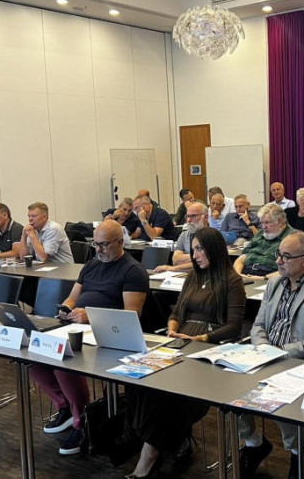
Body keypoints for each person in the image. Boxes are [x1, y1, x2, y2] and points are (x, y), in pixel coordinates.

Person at [126, 228, 246, 478]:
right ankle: (170, 440)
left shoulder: (231, 281)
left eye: (200, 249)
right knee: (139, 381)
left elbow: (234, 326)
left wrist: (199, 338)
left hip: (209, 348)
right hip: (179, 342)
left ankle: (148, 459)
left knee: (166, 393)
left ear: (214, 249)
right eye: (193, 250)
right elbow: (176, 312)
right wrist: (172, 327)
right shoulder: (193, 276)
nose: (195, 255)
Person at [238, 230, 304, 478]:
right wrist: (263, 348)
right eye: (279, 254)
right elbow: (258, 324)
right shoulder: (274, 282)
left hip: (297, 362)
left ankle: (299, 451)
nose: (278, 261)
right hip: (263, 355)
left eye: (286, 256)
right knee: (231, 392)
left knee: (276, 401)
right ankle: (253, 442)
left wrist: (278, 353)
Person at [41, 220, 149, 456]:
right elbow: (72, 297)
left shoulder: (133, 271)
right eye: (95, 244)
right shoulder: (91, 264)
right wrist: (66, 309)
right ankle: (67, 407)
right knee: (35, 358)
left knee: (63, 360)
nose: (98, 249)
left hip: (110, 335)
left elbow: (131, 315)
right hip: (78, 327)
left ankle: (82, 421)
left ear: (120, 242)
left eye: (104, 245)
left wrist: (90, 316)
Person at [233, 203, 293, 278]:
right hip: (246, 273)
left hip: (270, 277)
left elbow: (291, 269)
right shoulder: (261, 234)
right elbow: (242, 258)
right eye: (262, 223)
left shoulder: (293, 238)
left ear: (280, 221)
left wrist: (264, 278)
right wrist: (238, 275)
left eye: (267, 222)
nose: (264, 227)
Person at [154, 202, 208, 273]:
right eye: (187, 216)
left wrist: (172, 268)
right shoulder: (184, 235)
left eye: (193, 216)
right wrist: (198, 257)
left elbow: (204, 263)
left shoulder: (212, 235)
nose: (189, 220)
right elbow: (175, 260)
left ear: (205, 217)